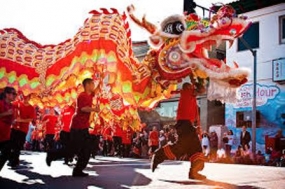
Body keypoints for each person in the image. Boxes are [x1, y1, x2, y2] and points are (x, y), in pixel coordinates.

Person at [151, 82, 206, 180]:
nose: (191, 87)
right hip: (185, 124)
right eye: (190, 86)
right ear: (187, 87)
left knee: (191, 148)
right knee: (185, 147)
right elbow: (202, 90)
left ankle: (193, 172)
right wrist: (197, 80)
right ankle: (159, 154)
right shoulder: (187, 92)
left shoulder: (186, 93)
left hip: (186, 124)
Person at [46, 78, 100, 177]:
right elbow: (83, 108)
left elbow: (97, 90)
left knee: (86, 149)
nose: (94, 85)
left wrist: (102, 77)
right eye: (92, 84)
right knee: (73, 149)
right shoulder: (82, 96)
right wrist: (95, 109)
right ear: (87, 85)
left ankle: (78, 170)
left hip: (83, 127)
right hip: (78, 126)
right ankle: (52, 155)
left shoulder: (89, 95)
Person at [9, 94, 36, 168]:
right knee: (10, 144)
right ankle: (12, 159)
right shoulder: (17, 103)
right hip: (14, 127)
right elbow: (9, 104)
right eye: (23, 96)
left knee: (18, 146)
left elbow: (30, 119)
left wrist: (21, 120)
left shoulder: (31, 108)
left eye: (26, 97)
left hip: (23, 130)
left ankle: (14, 162)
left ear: (29, 98)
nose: (24, 98)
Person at [0, 87, 17, 171]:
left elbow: (12, 119)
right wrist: (6, 113)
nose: (15, 96)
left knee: (6, 154)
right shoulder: (0, 103)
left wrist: (13, 121)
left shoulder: (12, 106)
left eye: (15, 94)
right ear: (6, 94)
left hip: (6, 134)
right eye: (13, 94)